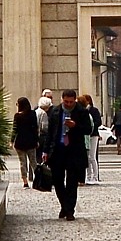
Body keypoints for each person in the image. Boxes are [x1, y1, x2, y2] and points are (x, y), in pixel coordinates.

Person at [41, 89, 91, 219]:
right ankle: (64, 205)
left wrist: (75, 125)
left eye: (71, 102)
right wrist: (45, 151)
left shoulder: (81, 111)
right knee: (57, 180)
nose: (68, 104)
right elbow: (50, 134)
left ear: (74, 100)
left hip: (74, 151)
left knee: (72, 181)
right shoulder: (56, 112)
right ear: (62, 99)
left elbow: (88, 129)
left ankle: (69, 210)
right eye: (66, 101)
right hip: (58, 149)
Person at [12, 97, 41, 187]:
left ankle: (25, 181)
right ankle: (38, 179)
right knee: (33, 162)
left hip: (20, 142)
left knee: (22, 162)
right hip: (31, 141)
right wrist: (37, 140)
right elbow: (35, 128)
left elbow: (15, 130)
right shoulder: (32, 114)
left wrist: (12, 140)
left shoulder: (17, 116)